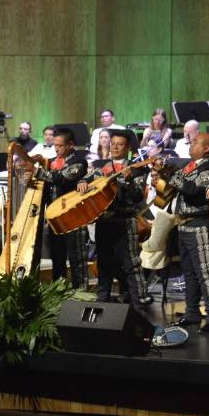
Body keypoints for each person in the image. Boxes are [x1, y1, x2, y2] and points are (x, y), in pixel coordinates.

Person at [154, 133, 209, 331]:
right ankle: (192, 313)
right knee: (190, 273)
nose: (190, 146)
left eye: (195, 143)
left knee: (205, 273)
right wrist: (159, 181)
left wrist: (171, 176)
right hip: (182, 224)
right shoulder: (188, 167)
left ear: (207, 149)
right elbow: (167, 194)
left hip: (199, 224)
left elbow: (194, 191)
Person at [91, 130, 151, 304]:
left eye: (120, 144)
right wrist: (82, 182)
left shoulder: (138, 169)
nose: (115, 147)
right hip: (104, 221)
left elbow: (139, 197)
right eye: (113, 143)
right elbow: (88, 180)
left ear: (128, 148)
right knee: (103, 261)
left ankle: (138, 300)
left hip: (125, 222)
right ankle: (103, 297)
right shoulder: (101, 167)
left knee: (130, 262)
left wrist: (130, 181)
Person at [37, 128, 91, 288]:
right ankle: (58, 292)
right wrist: (28, 178)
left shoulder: (80, 162)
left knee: (77, 258)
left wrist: (37, 172)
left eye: (60, 146)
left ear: (70, 145)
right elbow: (45, 187)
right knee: (57, 257)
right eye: (55, 145)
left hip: (73, 217)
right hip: (55, 218)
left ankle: (81, 292)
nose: (56, 149)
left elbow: (62, 179)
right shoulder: (50, 162)